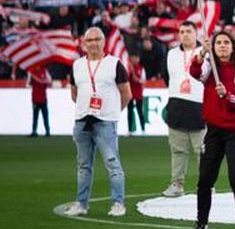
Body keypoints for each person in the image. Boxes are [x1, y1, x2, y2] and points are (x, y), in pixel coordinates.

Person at [183, 30, 235, 229]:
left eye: (226, 42)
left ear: (233, 47)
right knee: (205, 179)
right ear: (213, 47)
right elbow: (195, 74)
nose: (222, 46)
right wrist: (201, 52)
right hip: (213, 130)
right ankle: (201, 225)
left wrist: (228, 96)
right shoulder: (209, 67)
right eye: (218, 43)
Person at [65, 27, 130, 217]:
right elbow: (74, 93)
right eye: (89, 40)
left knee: (112, 163)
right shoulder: (77, 65)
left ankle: (118, 203)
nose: (93, 43)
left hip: (105, 122)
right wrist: (86, 108)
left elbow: (126, 94)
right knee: (83, 165)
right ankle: (81, 204)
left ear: (104, 42)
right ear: (84, 43)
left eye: (97, 39)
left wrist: (112, 112)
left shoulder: (115, 64)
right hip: (82, 121)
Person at [162, 22, 207, 196]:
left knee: (202, 151)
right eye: (182, 32)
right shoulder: (171, 54)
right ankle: (177, 184)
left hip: (199, 105)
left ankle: (206, 185)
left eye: (189, 31)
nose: (185, 35)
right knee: (177, 150)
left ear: (196, 34)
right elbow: (167, 77)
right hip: (176, 105)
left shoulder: (205, 53)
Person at [28, 65, 51, 137]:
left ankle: (47, 131)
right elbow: (28, 83)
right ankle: (34, 131)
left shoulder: (44, 71)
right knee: (35, 116)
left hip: (43, 98)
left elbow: (49, 81)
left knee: (45, 116)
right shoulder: (32, 72)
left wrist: (38, 79)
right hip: (35, 98)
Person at [125, 60, 147, 134]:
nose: (135, 59)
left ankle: (143, 129)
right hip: (130, 93)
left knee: (140, 111)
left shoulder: (141, 68)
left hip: (138, 93)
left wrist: (138, 80)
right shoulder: (128, 68)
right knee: (130, 111)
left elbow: (143, 80)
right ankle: (130, 130)